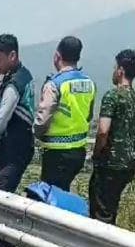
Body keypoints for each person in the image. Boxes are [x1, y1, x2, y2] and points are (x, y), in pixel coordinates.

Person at [0, 34, 35, 247]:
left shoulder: (15, 83)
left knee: (2, 196)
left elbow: (2, 118)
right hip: (15, 146)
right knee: (0, 192)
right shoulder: (21, 76)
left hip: (15, 147)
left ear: (12, 56)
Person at [34, 36, 96, 191]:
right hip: (79, 150)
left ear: (57, 56)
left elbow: (42, 119)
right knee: (63, 191)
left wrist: (37, 134)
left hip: (57, 152)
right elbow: (89, 115)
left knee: (51, 196)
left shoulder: (55, 84)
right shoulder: (89, 83)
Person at [90, 49, 135, 225]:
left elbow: (103, 131)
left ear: (121, 70)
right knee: (111, 206)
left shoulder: (112, 96)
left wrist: (96, 153)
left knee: (101, 212)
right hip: (129, 165)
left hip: (110, 164)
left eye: (115, 67)